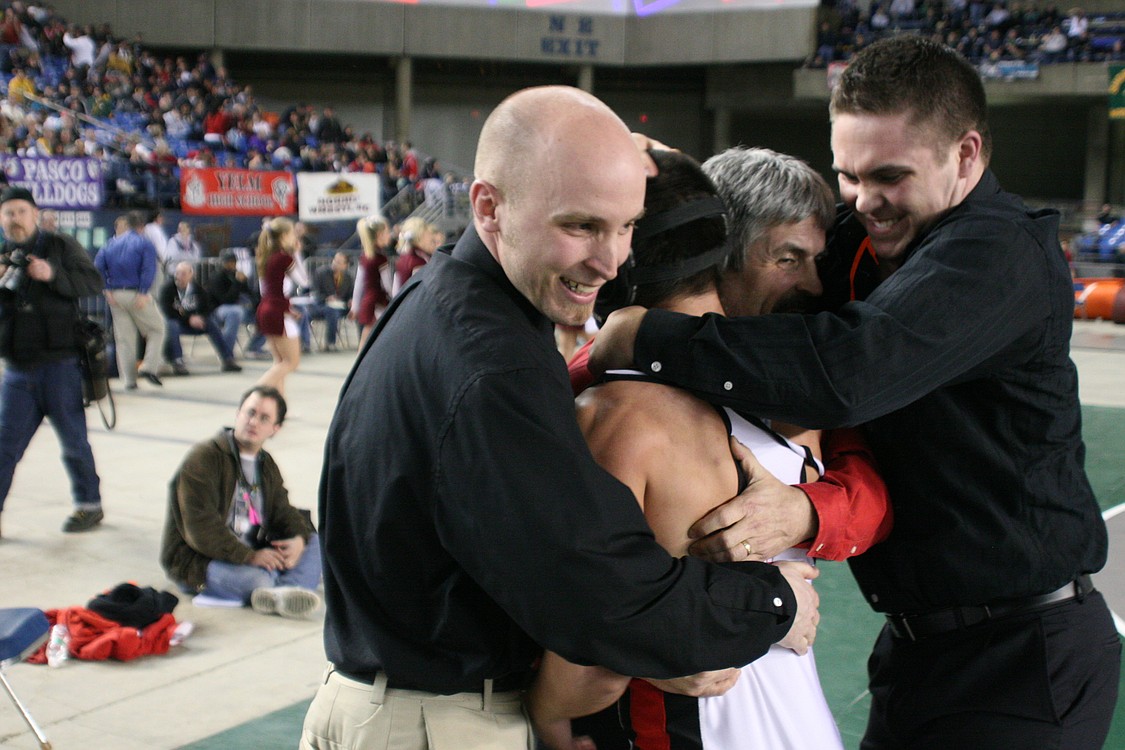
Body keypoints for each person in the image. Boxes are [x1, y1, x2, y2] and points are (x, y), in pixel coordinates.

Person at [591, 36, 1120, 747]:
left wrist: (638, 338)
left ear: (966, 155)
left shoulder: (997, 254)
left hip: (1022, 656)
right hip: (916, 647)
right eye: (849, 174)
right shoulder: (870, 232)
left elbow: (844, 377)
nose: (865, 202)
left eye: (889, 177)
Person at [301, 86, 819, 750]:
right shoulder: (500, 365)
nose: (610, 261)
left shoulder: (439, 296)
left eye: (627, 224)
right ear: (488, 206)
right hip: (440, 723)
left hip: (383, 707)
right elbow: (607, 601)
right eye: (580, 225)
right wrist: (773, 601)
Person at [535, 150, 880, 750]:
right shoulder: (799, 393)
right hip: (796, 723)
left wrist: (547, 713)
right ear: (723, 251)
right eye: (788, 259)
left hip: (691, 728)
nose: (814, 285)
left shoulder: (615, 416)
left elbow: (582, 655)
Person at [161, 386, 321, 618]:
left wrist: (298, 538)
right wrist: (250, 557)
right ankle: (287, 588)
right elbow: (200, 527)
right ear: (238, 414)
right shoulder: (204, 458)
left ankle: (278, 593)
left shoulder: (265, 464)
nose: (254, 422)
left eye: (264, 418)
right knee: (258, 578)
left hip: (252, 550)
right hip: (202, 559)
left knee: (315, 543)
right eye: (250, 413)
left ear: (275, 429)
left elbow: (282, 510)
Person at [0, 186, 104, 536]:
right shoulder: (1, 254)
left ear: (34, 213)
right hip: (17, 369)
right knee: (4, 447)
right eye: (8, 214)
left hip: (60, 365)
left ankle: (89, 506)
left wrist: (52, 275)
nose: (14, 219)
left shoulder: (60, 246)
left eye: (20, 212)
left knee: (74, 441)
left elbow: (92, 281)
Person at [94, 211, 166, 390]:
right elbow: (148, 269)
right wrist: (143, 292)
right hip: (136, 293)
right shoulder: (144, 243)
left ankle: (129, 381)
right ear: (141, 226)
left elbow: (97, 267)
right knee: (157, 329)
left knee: (124, 339)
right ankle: (148, 367)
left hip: (115, 296)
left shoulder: (110, 244)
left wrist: (106, 289)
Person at [158, 261, 242, 376]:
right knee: (171, 324)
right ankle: (177, 361)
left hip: (194, 323)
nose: (179, 277)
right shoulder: (167, 288)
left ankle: (227, 359)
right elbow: (167, 312)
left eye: (183, 274)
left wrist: (200, 317)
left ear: (191, 275)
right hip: (178, 323)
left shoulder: (197, 288)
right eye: (177, 273)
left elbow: (207, 307)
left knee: (211, 323)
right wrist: (189, 319)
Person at [255, 217, 301, 395]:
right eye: (291, 233)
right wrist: (297, 253)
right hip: (277, 312)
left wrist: (287, 307)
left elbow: (266, 289)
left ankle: (281, 407)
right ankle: (257, 391)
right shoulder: (284, 258)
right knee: (291, 362)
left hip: (265, 309)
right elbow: (304, 280)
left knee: (279, 361)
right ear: (284, 236)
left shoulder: (265, 256)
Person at [351, 214, 390, 347]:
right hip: (378, 303)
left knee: (366, 341)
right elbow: (388, 285)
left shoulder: (365, 257)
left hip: (368, 302)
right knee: (369, 342)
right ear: (379, 235)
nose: (389, 235)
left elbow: (358, 284)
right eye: (387, 232)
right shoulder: (381, 258)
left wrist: (355, 306)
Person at [207, 249, 253, 358]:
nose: (232, 264)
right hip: (218, 311)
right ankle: (226, 353)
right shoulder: (216, 277)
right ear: (223, 262)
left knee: (265, 311)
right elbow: (226, 300)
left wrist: (245, 282)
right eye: (229, 262)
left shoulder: (236, 274)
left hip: (238, 308)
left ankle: (254, 348)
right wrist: (237, 282)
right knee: (234, 312)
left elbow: (250, 293)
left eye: (233, 262)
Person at [310, 251, 353, 351]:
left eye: (339, 262)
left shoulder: (348, 277)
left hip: (341, 306)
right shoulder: (320, 273)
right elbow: (314, 292)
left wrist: (351, 300)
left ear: (345, 265)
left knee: (360, 309)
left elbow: (351, 293)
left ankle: (363, 343)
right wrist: (326, 298)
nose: (335, 263)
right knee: (332, 311)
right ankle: (330, 343)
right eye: (334, 260)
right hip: (322, 305)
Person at [390, 216, 434, 296]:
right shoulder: (417, 261)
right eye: (427, 232)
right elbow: (421, 291)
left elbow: (395, 290)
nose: (430, 236)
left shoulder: (403, 257)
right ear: (420, 235)